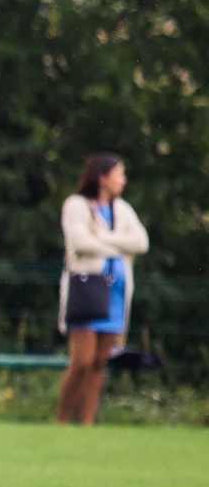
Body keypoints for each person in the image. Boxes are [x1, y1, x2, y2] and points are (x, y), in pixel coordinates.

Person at [57, 154, 149, 426]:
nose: (123, 180)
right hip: (87, 289)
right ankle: (61, 421)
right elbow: (79, 242)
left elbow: (141, 242)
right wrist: (120, 246)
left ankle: (86, 423)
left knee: (99, 362)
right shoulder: (77, 205)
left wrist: (104, 238)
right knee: (82, 360)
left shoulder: (122, 209)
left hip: (117, 295)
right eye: (119, 174)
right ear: (101, 177)